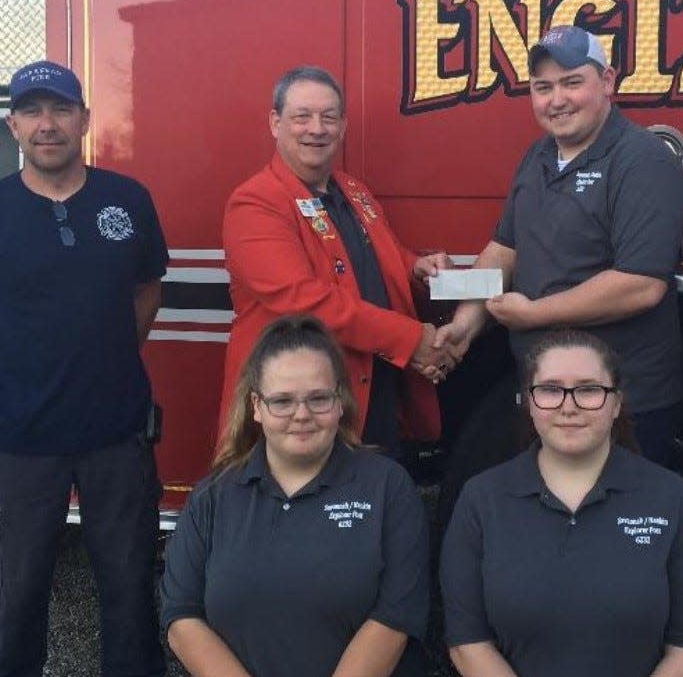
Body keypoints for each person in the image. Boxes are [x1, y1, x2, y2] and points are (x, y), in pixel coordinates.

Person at [436, 25, 683, 466]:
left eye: (573, 82)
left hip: (622, 402)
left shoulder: (643, 161)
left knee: (615, 525)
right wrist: (464, 326)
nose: (557, 99)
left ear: (607, 82)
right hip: (546, 391)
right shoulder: (538, 157)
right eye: (543, 87)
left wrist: (534, 314)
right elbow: (504, 250)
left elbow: (641, 284)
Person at [0, 61, 168, 677]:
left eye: (62, 110)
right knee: (17, 595)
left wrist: (110, 353)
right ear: (13, 124)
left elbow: (146, 289)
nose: (49, 125)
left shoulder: (127, 200)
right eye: (34, 112)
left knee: (127, 588)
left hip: (116, 434)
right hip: (19, 442)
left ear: (85, 121)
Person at [161, 314, 430, 677]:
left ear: (340, 401)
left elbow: (397, 615)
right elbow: (181, 617)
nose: (301, 415)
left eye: (318, 398)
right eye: (282, 401)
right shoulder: (213, 496)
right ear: (256, 406)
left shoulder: (388, 487)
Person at [440, 329, 683, 677]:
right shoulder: (482, 500)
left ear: (616, 404)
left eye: (588, 390)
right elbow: (467, 643)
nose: (569, 406)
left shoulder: (672, 497)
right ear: (529, 403)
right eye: (551, 390)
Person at [221, 65, 454, 457]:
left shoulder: (351, 190)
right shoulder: (255, 203)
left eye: (329, 117)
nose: (317, 128)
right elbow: (305, 302)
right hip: (299, 410)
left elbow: (381, 256)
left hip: (367, 395)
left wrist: (417, 268)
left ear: (343, 126)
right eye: (302, 117)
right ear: (276, 123)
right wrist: (412, 340)